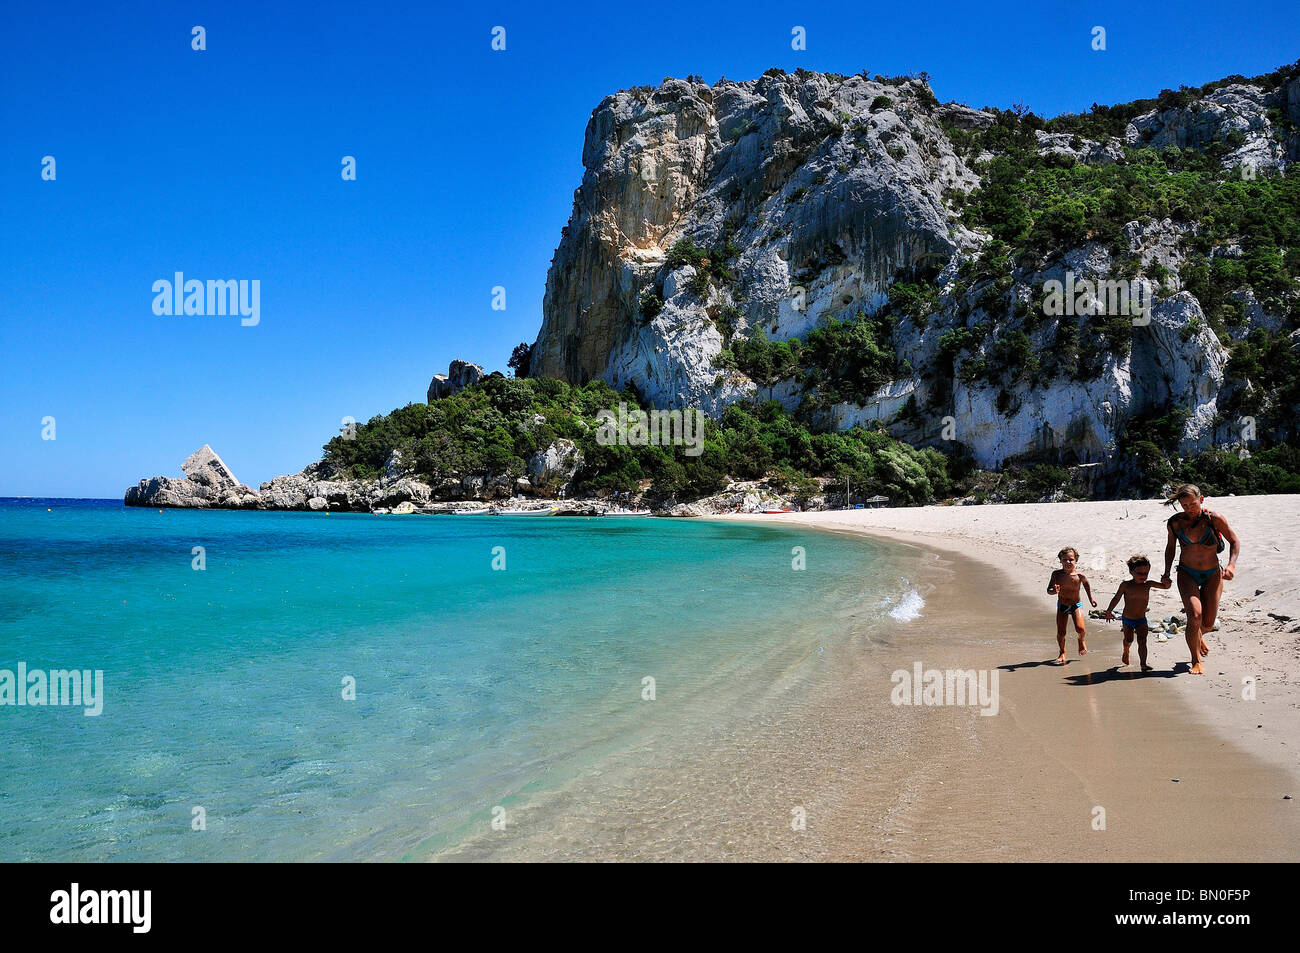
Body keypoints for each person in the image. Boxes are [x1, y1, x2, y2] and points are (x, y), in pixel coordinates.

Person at [1161, 484, 1240, 675]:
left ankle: (1197, 634)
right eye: (1184, 505)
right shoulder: (1175, 523)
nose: (1189, 508)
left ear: (1201, 499)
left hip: (1212, 573)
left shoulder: (1214, 519)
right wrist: (1166, 573)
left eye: (1192, 504)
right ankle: (1195, 660)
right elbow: (1170, 548)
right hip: (1186, 573)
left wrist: (1231, 565)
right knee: (1195, 615)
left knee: (1208, 623)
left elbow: (1234, 541)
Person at [1104, 554, 1171, 671]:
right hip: (1127, 619)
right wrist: (1109, 610)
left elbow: (1165, 587)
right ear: (1131, 572)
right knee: (1128, 640)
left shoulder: (1148, 584)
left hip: (1141, 619)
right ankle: (1126, 650)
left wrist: (1166, 580)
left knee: (1142, 641)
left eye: (1146, 574)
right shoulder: (1126, 585)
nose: (1143, 576)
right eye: (1140, 573)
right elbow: (1116, 598)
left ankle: (1143, 664)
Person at [1047, 546, 1096, 664]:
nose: (1068, 562)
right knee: (1061, 632)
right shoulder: (1056, 574)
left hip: (1076, 605)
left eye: (1071, 559)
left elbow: (1086, 585)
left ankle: (1081, 640)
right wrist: (1054, 591)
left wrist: (1091, 599)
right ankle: (1062, 652)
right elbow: (1049, 590)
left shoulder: (1080, 575)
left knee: (1080, 628)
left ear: (1076, 560)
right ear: (1060, 560)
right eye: (1065, 560)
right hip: (1062, 606)